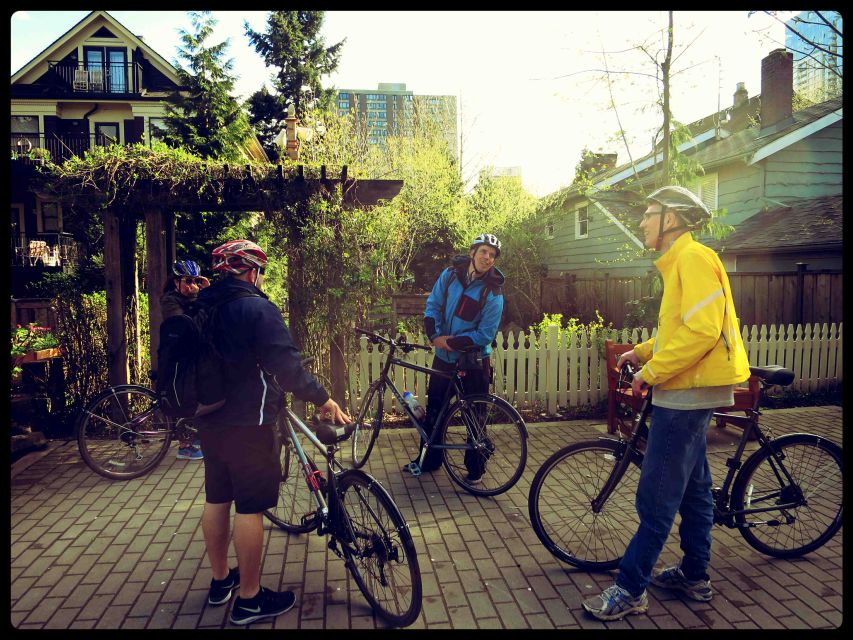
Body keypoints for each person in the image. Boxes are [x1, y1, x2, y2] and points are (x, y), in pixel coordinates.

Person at [582, 186, 751, 621]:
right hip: (691, 390)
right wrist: (641, 352)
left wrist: (651, 372)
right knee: (695, 490)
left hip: (687, 393)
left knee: (657, 496)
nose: (642, 221)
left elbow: (702, 332)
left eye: (649, 213)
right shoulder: (683, 261)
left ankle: (630, 589)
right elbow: (681, 329)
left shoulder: (692, 259)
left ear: (670, 219)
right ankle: (694, 576)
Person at [194, 239, 350, 625]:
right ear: (252, 272)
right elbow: (288, 367)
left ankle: (221, 581)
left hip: (209, 420)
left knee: (217, 498)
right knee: (249, 509)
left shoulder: (201, 306)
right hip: (250, 423)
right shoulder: (256, 308)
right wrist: (323, 398)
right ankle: (249, 599)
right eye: (261, 273)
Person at [411, 233, 505, 483]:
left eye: (492, 255)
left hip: (474, 362)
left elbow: (485, 334)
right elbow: (433, 305)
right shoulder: (450, 275)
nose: (487, 258)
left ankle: (475, 468)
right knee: (435, 410)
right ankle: (429, 460)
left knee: (475, 416)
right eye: (483, 251)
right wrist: (434, 335)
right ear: (473, 252)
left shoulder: (493, 292)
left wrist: (449, 342)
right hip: (443, 358)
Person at [160, 259, 210, 460]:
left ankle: (196, 438)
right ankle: (185, 446)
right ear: (176, 282)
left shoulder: (193, 299)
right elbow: (190, 328)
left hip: (193, 356)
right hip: (177, 358)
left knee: (198, 395)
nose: (192, 286)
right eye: (187, 281)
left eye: (196, 281)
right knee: (182, 397)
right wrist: (205, 303)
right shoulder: (170, 301)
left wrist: (207, 293)